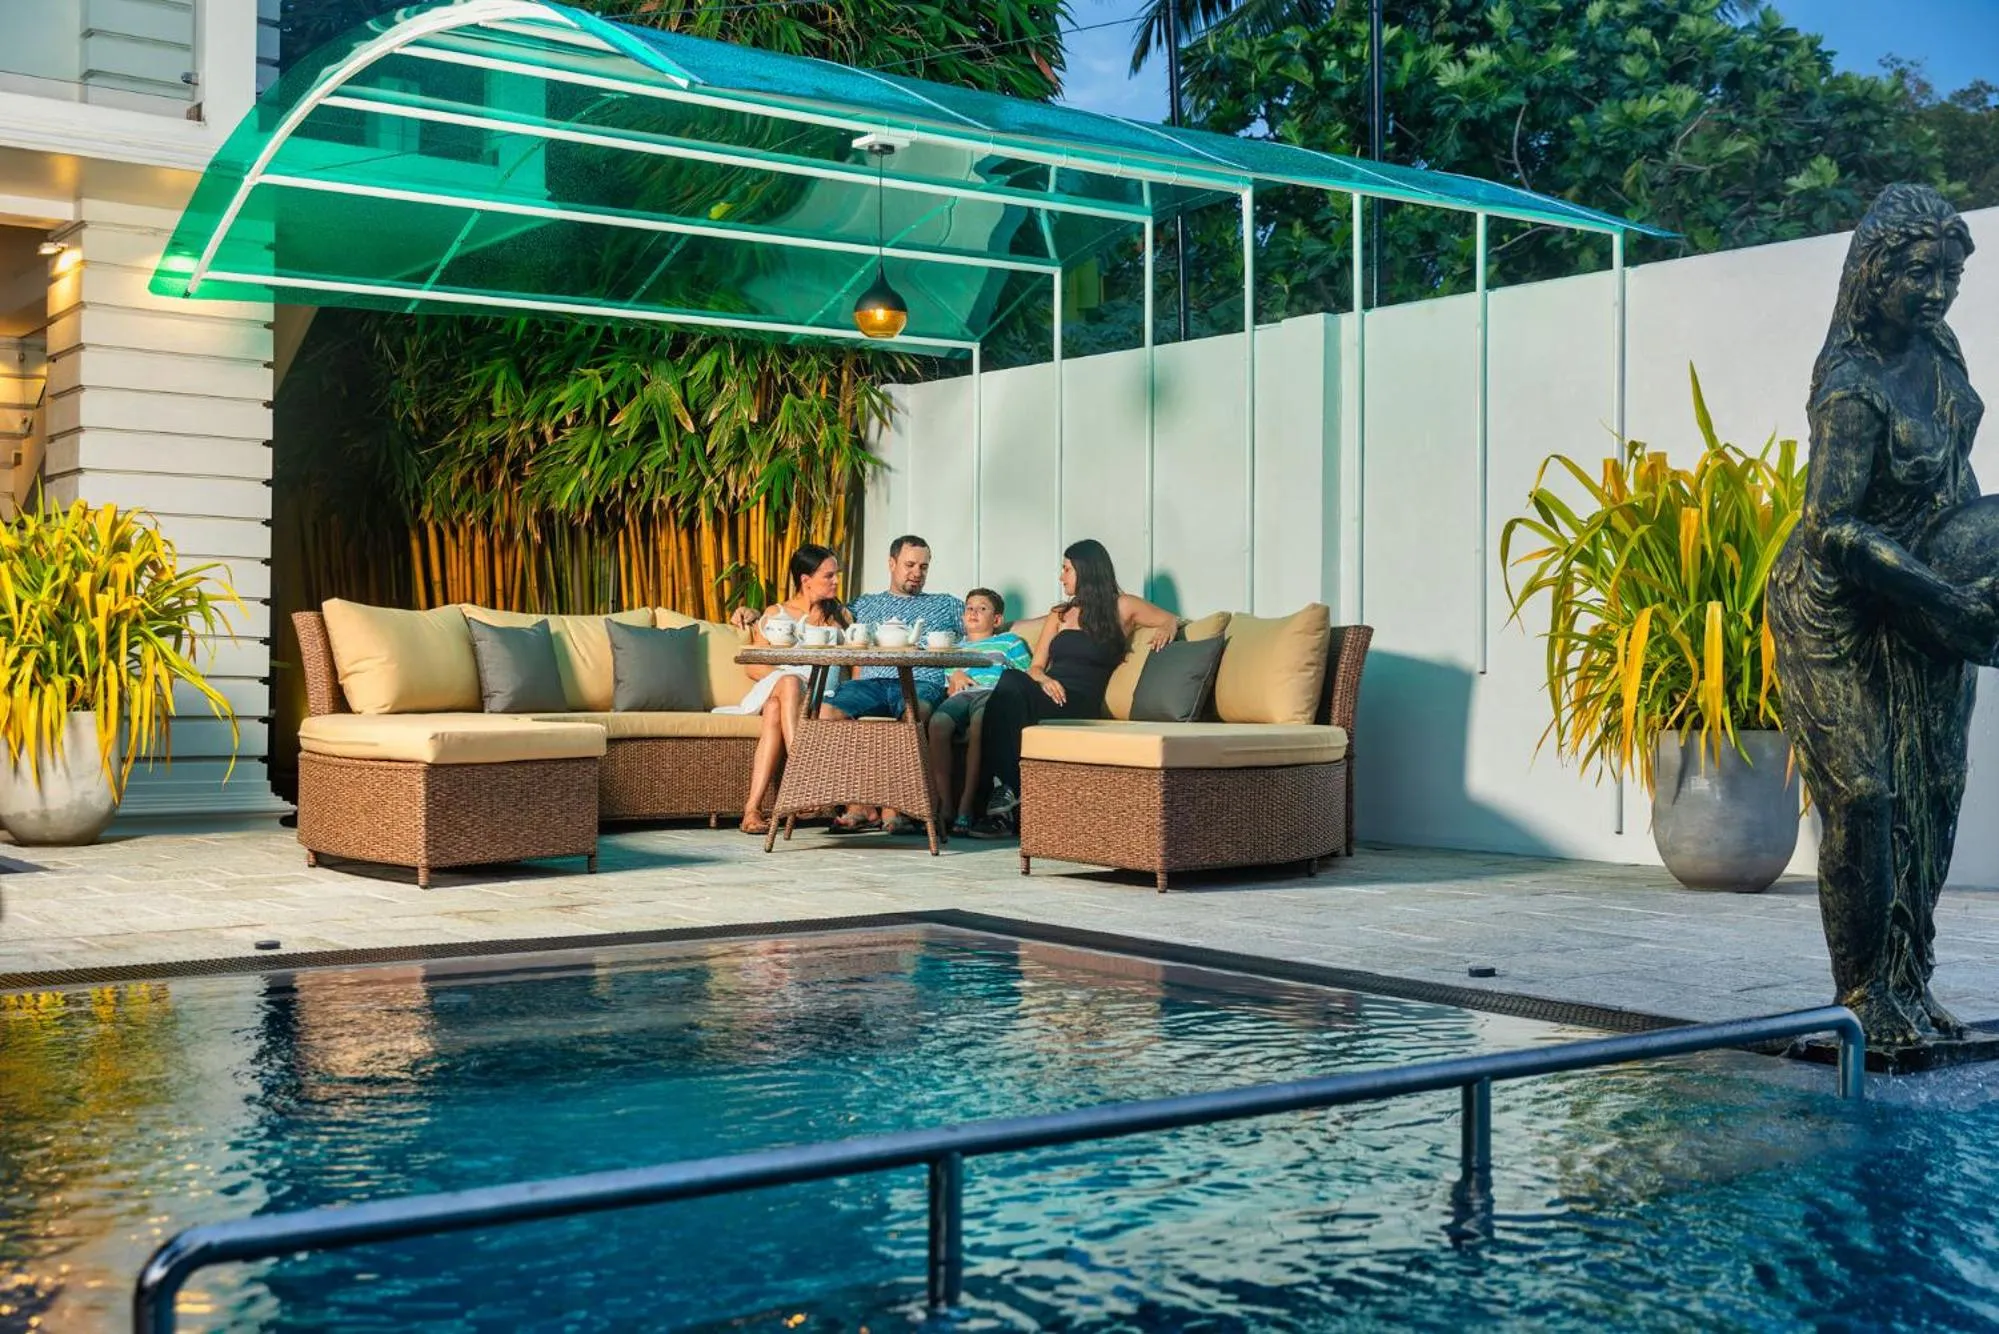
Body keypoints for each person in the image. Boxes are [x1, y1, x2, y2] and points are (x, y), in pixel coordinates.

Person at [1767, 184, 1999, 1048]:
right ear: (1871, 274)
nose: (1935, 292)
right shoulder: (1850, 386)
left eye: (1948, 275)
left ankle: (1909, 984)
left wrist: (1975, 578)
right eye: (1916, 274)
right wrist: (1946, 593)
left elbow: (1952, 483)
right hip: (1835, 608)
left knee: (1935, 794)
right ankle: (1860, 996)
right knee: (1865, 796)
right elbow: (1828, 527)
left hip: (1929, 595)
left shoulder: (1939, 350)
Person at [967, 539, 1177, 839]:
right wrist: (1045, 679)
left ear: (1086, 570)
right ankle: (1008, 795)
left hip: (1079, 700)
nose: (1061, 576)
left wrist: (1169, 627)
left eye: (1066, 569)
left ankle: (1003, 797)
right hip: (1049, 692)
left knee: (1008, 692)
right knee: (1011, 684)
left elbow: (1169, 618)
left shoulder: (1124, 606)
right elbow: (1036, 666)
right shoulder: (1060, 613)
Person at [819, 535, 966, 833]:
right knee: (826, 712)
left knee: (916, 714)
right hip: (872, 682)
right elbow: (818, 615)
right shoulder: (865, 604)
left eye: (924, 567)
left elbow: (992, 622)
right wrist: (757, 615)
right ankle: (859, 805)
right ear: (891, 563)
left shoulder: (946, 604)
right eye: (910, 565)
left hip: (920, 682)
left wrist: (1056, 619)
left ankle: (894, 806)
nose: (917, 573)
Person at [725, 544, 850, 836]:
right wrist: (787, 679)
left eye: (836, 575)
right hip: (781, 686)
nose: (835, 581)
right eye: (828, 575)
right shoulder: (776, 613)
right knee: (790, 684)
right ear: (806, 580)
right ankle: (804, 779)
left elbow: (856, 667)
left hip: (820, 698)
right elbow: (754, 667)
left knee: (775, 710)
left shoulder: (841, 616)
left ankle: (751, 811)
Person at [925, 588, 1032, 838]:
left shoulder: (1009, 642)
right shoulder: (953, 647)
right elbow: (943, 680)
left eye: (982, 608)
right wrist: (955, 674)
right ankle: (945, 805)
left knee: (979, 722)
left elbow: (1025, 677)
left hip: (990, 694)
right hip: (960, 695)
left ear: (996, 620)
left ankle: (966, 805)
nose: (973, 612)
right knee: (938, 723)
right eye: (969, 608)